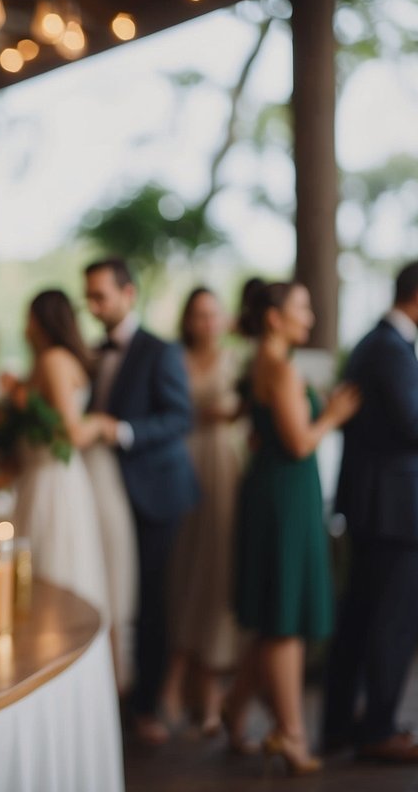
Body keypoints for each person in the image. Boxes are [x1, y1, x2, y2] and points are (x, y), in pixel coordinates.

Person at [223, 282, 360, 775]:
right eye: (301, 307)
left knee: (272, 610)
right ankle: (291, 733)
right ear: (275, 318)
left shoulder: (262, 362)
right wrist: (335, 416)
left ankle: (234, 708)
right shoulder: (279, 368)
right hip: (286, 492)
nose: (310, 314)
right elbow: (301, 442)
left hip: (277, 489)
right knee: (286, 617)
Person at [322, 259, 418, 764]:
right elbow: (415, 425)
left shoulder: (378, 345)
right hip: (395, 510)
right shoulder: (389, 349)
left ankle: (340, 726)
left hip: (378, 505)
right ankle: (378, 729)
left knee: (360, 616)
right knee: (390, 621)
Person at [84, 257, 199, 744]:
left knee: (152, 599)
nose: (93, 306)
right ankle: (115, 692)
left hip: (156, 492)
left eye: (101, 296)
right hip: (106, 491)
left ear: (128, 294)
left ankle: (147, 706)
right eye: (88, 296)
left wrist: (123, 430)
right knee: (114, 591)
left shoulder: (160, 350)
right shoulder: (92, 351)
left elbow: (179, 417)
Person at [159, 288, 243, 735]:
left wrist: (232, 412)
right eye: (199, 314)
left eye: (214, 313)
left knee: (216, 572)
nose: (207, 322)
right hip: (180, 464)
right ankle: (173, 683)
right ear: (188, 319)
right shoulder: (172, 358)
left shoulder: (238, 361)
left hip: (223, 468)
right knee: (181, 570)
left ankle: (207, 691)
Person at [13, 290, 110, 614]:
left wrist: (97, 423)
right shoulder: (60, 359)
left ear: (41, 322)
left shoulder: (53, 360)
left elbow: (71, 432)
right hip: (53, 477)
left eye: (28, 319)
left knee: (50, 573)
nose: (24, 328)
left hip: (51, 480)